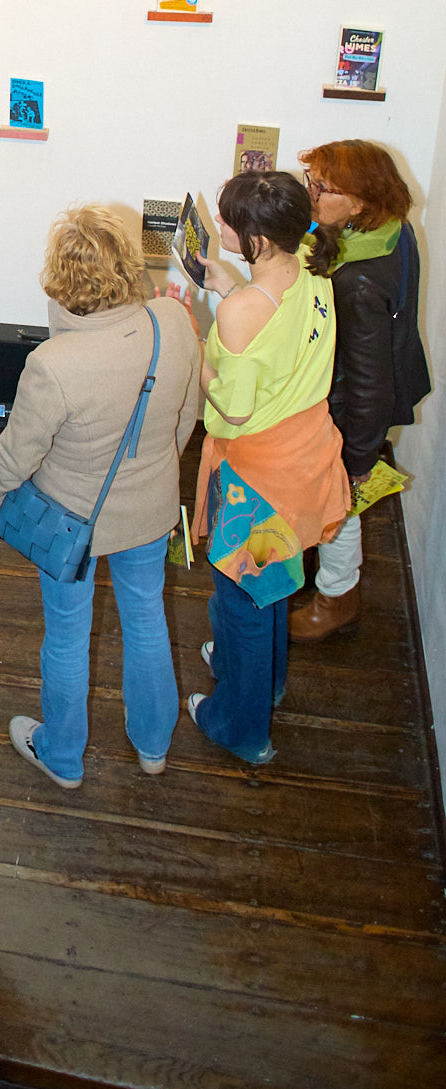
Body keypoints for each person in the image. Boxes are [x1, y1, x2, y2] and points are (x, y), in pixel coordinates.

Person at [0, 208, 201, 790]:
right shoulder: (172, 323)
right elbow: (186, 418)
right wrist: (153, 471)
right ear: (127, 264)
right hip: (151, 511)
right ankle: (153, 745)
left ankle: (62, 755)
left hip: (68, 524)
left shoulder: (52, 363)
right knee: (148, 619)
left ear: (59, 276)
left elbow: (16, 456)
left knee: (67, 635)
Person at [190, 173, 349, 764]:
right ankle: (264, 681)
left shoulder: (240, 313)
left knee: (245, 598)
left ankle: (241, 727)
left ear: (256, 238)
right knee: (275, 583)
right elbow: (273, 333)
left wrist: (193, 346)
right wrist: (231, 287)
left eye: (227, 220)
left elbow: (232, 407)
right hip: (303, 456)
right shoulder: (311, 266)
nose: (218, 226)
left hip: (256, 481)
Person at [289, 142, 431, 641]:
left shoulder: (359, 282)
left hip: (350, 411)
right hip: (360, 395)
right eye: (310, 180)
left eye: (322, 188)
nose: (311, 194)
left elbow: (370, 383)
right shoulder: (391, 230)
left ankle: (336, 598)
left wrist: (358, 460)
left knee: (341, 505)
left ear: (360, 202)